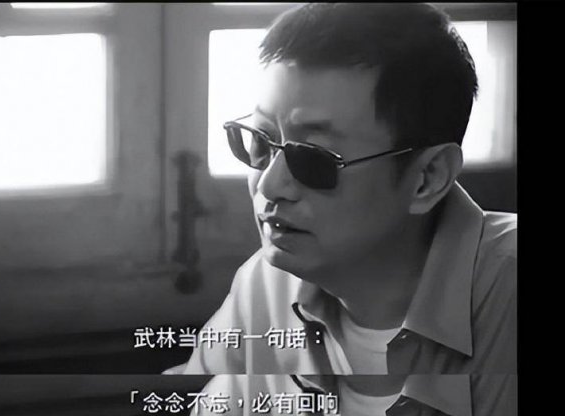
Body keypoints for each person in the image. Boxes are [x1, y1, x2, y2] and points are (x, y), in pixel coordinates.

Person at [168, 2, 516, 377]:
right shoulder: (268, 285)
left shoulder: (505, 300)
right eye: (260, 141)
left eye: (313, 158)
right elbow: (196, 406)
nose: (269, 184)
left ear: (427, 178)